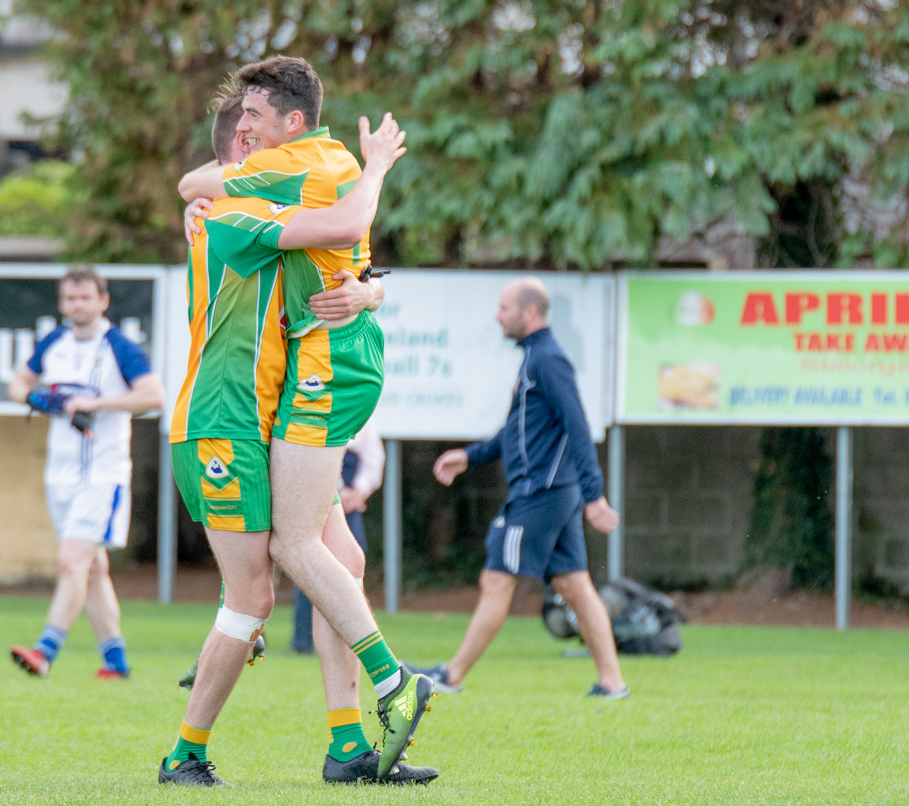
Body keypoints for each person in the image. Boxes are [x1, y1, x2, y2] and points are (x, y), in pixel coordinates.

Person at [161, 85, 435, 787]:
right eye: (246, 130)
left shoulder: (277, 201)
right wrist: (373, 169)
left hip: (264, 416)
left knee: (338, 567)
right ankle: (186, 753)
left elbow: (344, 255)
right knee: (253, 595)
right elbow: (341, 225)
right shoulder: (234, 213)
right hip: (221, 424)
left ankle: (346, 747)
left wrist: (370, 291)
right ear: (241, 157)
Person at [404, 277, 628, 698]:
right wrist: (471, 456)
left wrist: (595, 494)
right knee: (574, 586)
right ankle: (612, 683)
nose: (497, 315)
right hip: (553, 492)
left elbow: (578, 426)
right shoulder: (533, 360)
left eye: (504, 308)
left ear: (529, 313)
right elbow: (517, 432)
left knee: (496, 579)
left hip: (540, 494)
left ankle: (451, 676)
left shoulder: (548, 361)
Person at [7, 267, 165, 680]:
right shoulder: (54, 344)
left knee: (70, 563)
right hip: (58, 473)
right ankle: (115, 662)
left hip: (103, 473)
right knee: (91, 569)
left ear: (102, 301)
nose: (76, 306)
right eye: (70, 299)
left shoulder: (120, 347)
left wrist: (94, 406)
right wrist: (41, 399)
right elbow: (18, 384)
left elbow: (153, 396)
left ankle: (44, 651)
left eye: (84, 298)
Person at [291, 419, 385, 654]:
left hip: (351, 501)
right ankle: (303, 640)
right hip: (319, 492)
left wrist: (359, 491)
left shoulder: (363, 412)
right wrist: (337, 492)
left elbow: (374, 458)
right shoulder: (315, 408)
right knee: (310, 562)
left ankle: (353, 639)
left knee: (352, 564)